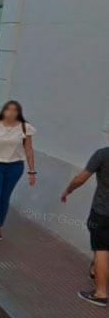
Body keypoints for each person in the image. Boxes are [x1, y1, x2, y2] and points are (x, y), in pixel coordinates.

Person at [60, 125, 109, 307]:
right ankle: (95, 270)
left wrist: (68, 190)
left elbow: (81, 178)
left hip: (103, 212)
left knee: (102, 248)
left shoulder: (102, 155)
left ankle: (101, 293)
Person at [0, 101, 37, 241]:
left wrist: (32, 171)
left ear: (18, 112)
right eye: (8, 109)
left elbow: (28, 150)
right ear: (3, 111)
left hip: (14, 166)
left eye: (15, 110)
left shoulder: (24, 128)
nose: (11, 113)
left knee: (5, 196)